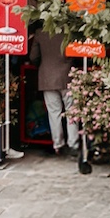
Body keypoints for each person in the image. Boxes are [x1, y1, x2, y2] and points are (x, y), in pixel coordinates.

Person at [29, 25, 79, 154]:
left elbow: (33, 57)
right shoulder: (69, 31)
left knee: (54, 113)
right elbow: (76, 53)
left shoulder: (40, 32)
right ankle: (73, 144)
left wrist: (43, 66)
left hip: (47, 78)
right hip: (67, 76)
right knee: (71, 112)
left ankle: (58, 144)